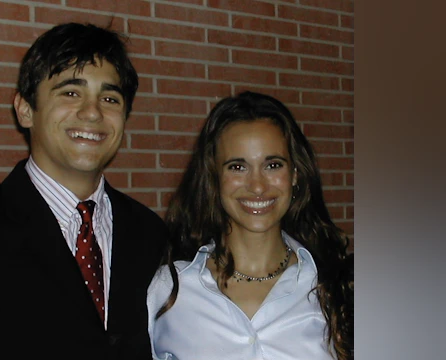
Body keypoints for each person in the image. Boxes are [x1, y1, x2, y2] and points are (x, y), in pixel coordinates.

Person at [0, 22, 168, 360]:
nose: (92, 112)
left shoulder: (152, 235)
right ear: (25, 110)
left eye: (109, 97)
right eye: (71, 92)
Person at [147, 91, 354, 360]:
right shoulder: (170, 288)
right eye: (237, 167)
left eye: (273, 165)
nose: (257, 186)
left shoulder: (335, 287)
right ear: (214, 178)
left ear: (294, 174)